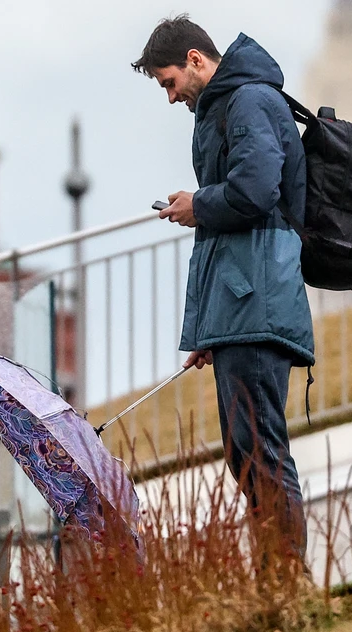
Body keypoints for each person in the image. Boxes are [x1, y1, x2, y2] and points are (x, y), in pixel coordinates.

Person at [132, 16, 314, 568]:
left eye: (168, 83)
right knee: (245, 451)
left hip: (259, 304)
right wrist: (213, 328)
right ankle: (275, 577)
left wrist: (197, 204)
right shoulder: (225, 108)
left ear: (195, 59)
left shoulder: (250, 102)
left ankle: (284, 583)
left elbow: (258, 191)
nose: (169, 98)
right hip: (242, 308)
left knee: (259, 450)